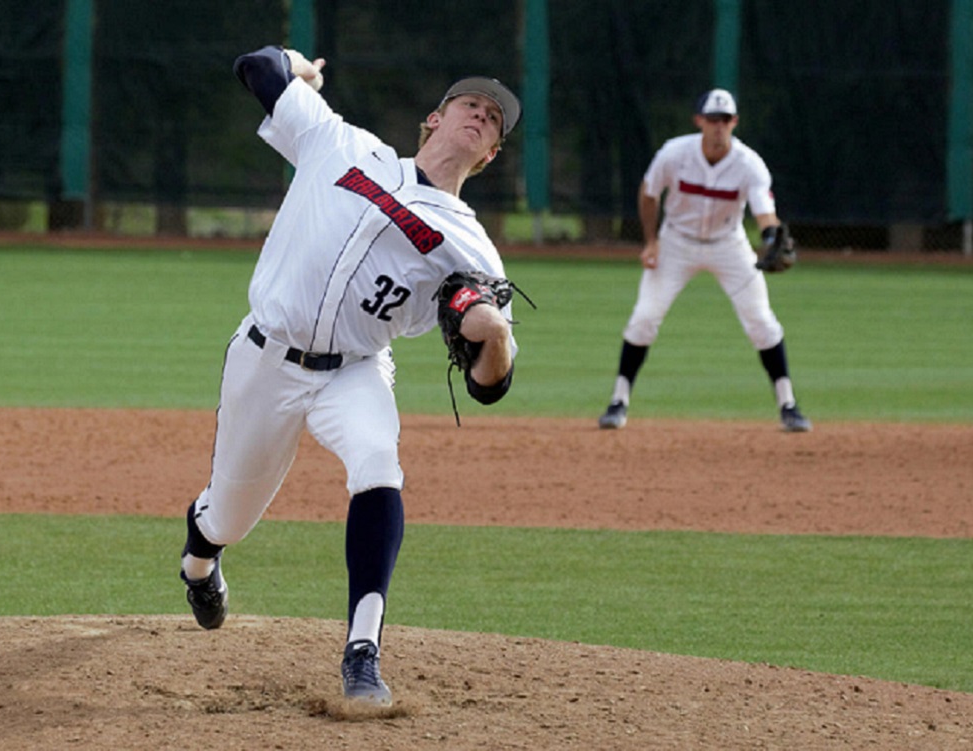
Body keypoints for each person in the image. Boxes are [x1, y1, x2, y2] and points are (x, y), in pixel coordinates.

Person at [178, 45, 523, 707]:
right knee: (228, 516)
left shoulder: (474, 249)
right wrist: (297, 66)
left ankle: (362, 650)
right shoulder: (342, 144)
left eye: (493, 119)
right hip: (265, 358)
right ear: (435, 117)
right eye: (469, 104)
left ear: (492, 154)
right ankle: (199, 562)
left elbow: (488, 384)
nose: (480, 116)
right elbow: (256, 66)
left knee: (378, 465)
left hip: (356, 371)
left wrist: (496, 335)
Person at [598, 88, 811, 433]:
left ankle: (788, 404)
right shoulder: (675, 153)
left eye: (725, 120)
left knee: (761, 322)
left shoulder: (748, 164)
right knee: (644, 318)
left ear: (735, 122)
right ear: (699, 120)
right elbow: (649, 192)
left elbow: (765, 212)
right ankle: (618, 401)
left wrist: (771, 236)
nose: (718, 126)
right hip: (675, 244)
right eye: (712, 119)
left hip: (729, 246)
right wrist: (651, 241)